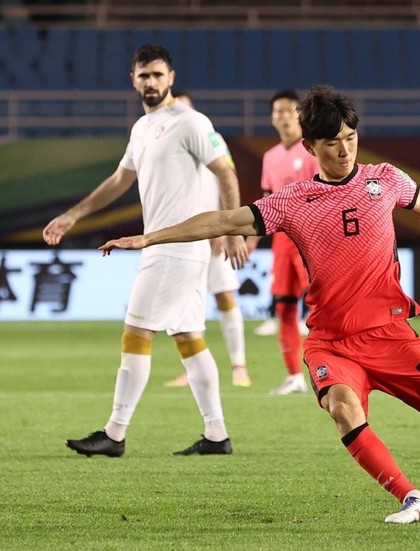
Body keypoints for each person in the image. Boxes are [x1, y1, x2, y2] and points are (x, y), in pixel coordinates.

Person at [99, 85, 420, 523]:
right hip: (331, 341)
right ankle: (414, 499)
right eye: (332, 143)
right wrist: (149, 236)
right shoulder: (293, 202)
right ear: (310, 146)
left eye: (350, 139)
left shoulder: (385, 179)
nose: (344, 150)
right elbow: (222, 219)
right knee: (343, 409)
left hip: (390, 334)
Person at [43, 44, 249, 457]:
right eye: (143, 75)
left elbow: (225, 172)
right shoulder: (143, 128)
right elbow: (120, 180)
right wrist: (74, 215)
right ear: (133, 79)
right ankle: (216, 435)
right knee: (189, 338)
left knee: (135, 333)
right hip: (168, 247)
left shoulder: (190, 122)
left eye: (157, 74)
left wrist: (232, 228)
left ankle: (114, 434)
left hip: (173, 246)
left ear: (171, 77)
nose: (150, 82)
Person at [164, 91, 251, 389]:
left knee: (225, 296)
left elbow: (226, 179)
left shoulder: (210, 138)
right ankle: (193, 369)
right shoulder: (167, 143)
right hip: (182, 237)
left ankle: (239, 365)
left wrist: (225, 228)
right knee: (187, 303)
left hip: (213, 233)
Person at [248, 89, 317, 396]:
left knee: (321, 307)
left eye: (290, 110)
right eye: (279, 111)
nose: (284, 116)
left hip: (312, 241)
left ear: (300, 115)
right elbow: (266, 202)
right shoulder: (270, 157)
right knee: (285, 308)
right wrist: (252, 236)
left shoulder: (314, 151)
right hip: (282, 242)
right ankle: (294, 377)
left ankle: (333, 370)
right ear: (272, 117)